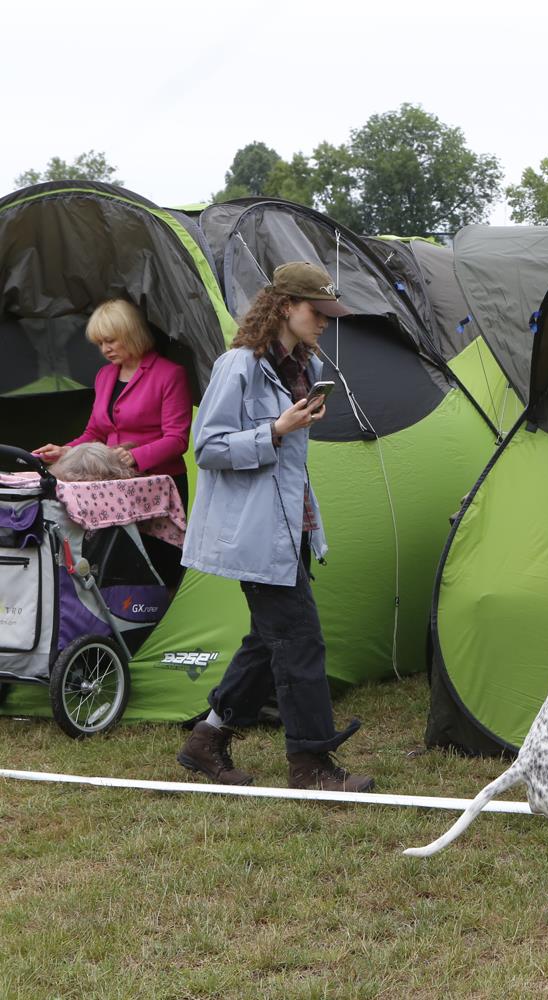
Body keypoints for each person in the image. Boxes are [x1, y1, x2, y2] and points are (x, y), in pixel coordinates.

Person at [175, 261, 374, 793]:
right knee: (300, 641)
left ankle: (206, 740)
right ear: (285, 307)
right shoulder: (238, 365)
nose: (325, 322)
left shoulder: (302, 367)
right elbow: (208, 448)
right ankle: (311, 764)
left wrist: (296, 422)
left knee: (270, 640)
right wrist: (275, 430)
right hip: (256, 531)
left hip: (293, 525)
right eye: (317, 311)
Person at [34, 298, 192, 507]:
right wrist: (66, 451)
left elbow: (177, 440)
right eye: (100, 343)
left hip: (159, 484)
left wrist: (134, 456)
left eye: (110, 341)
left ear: (132, 334)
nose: (105, 349)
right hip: (113, 483)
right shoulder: (104, 375)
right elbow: (95, 433)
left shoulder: (170, 374)